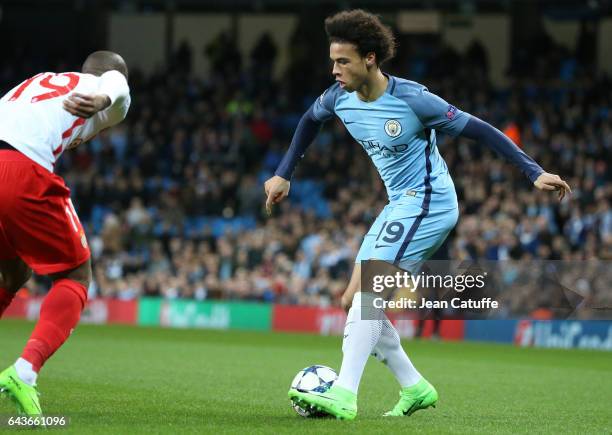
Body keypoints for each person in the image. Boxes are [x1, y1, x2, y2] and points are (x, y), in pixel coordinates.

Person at [264, 10, 571, 420]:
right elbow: (308, 121)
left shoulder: (413, 99)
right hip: (399, 204)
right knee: (352, 299)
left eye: (343, 61)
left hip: (430, 202)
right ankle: (414, 386)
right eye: (333, 60)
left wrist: (533, 172)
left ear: (370, 59)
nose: (334, 70)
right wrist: (284, 174)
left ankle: (344, 393)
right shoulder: (338, 98)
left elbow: (480, 129)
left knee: (371, 290)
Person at [0, 51, 131, 417]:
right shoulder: (103, 91)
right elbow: (116, 85)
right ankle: (24, 373)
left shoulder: (36, 81)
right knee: (75, 275)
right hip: (20, 168)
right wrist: (105, 98)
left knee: (14, 273)